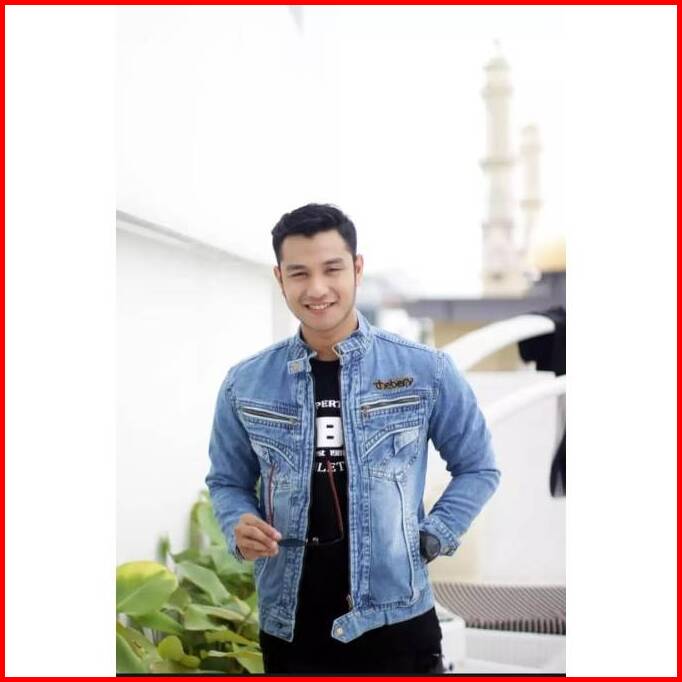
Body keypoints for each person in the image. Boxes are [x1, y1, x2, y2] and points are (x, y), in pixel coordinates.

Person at [206, 203, 501, 674]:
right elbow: (227, 481)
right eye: (299, 273)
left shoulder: (425, 371)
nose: (317, 288)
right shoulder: (245, 384)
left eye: (332, 269)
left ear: (357, 269)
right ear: (280, 278)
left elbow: (479, 467)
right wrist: (238, 523)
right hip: (291, 626)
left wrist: (431, 538)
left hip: (397, 623)